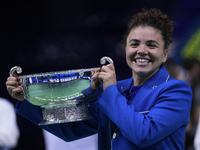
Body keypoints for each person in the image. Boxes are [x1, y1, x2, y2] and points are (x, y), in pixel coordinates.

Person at [6, 8, 192, 150]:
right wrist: (29, 99)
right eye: (134, 44)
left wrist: (109, 91)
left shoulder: (177, 91)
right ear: (126, 48)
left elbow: (144, 133)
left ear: (165, 54)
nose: (141, 50)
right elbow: (70, 130)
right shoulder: (115, 91)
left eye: (151, 45)